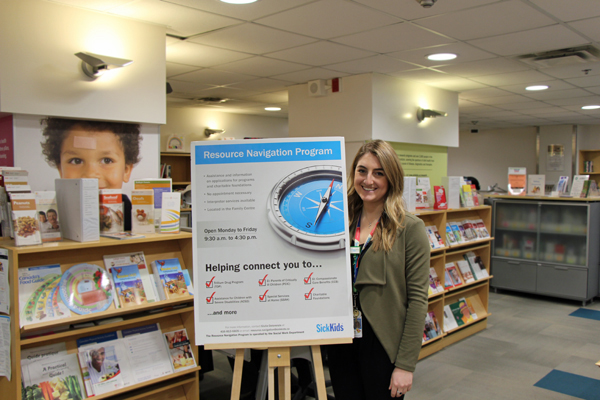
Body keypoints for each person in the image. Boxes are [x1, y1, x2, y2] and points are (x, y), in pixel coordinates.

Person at [327, 140, 430, 399]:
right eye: (362, 171)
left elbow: (418, 300)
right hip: (342, 337)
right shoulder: (339, 221)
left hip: (382, 342)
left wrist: (406, 364)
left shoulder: (409, 228)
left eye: (378, 172)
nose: (368, 180)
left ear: (391, 177)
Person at [40, 117, 142, 230]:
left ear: (126, 170)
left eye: (107, 160)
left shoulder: (131, 215)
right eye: (76, 161)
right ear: (60, 169)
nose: (90, 175)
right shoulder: (53, 214)